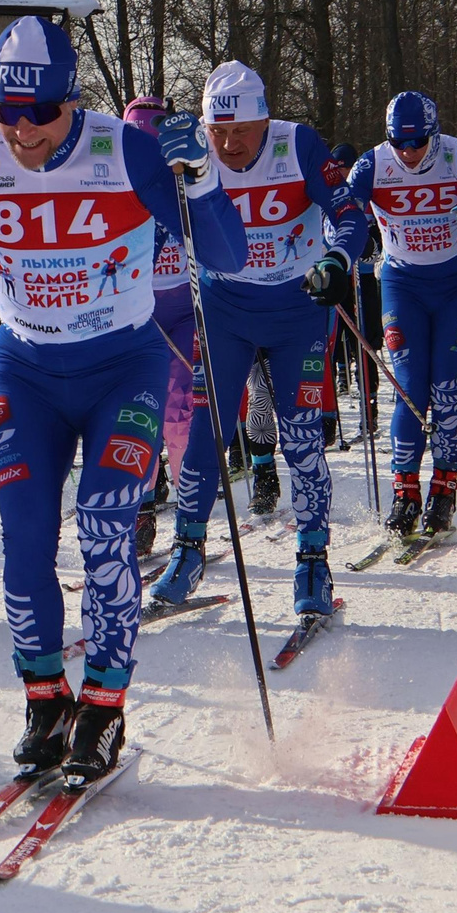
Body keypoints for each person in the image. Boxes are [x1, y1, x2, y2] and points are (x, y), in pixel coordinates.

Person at [0, 17, 243, 786]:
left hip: (122, 366)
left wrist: (199, 176)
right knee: (24, 538)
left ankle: (104, 702)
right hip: (24, 368)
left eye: (39, 112)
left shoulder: (124, 148)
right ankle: (44, 697)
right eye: (9, 111)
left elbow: (228, 256)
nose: (24, 130)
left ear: (71, 100)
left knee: (105, 521)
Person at [152, 62, 369, 619]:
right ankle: (189, 548)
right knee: (208, 427)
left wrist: (337, 259)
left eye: (239, 132)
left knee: (299, 434)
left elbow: (348, 211)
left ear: (264, 120)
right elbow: (152, 218)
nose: (227, 145)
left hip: (296, 308)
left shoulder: (296, 143)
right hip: (226, 310)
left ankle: (314, 556)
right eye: (217, 132)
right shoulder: (194, 151)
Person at [337, 92, 457, 536]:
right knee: (410, 386)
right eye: (399, 143)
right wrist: (356, 244)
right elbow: (340, 217)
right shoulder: (371, 166)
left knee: (448, 386)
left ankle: (445, 487)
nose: (408, 153)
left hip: (456, 284)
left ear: (433, 134)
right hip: (402, 285)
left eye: (417, 143)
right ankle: (404, 491)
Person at [120, 96, 196, 560]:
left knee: (180, 413)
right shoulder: (114, 186)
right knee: (140, 415)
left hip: (184, 308)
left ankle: (190, 516)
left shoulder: (185, 182)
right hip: (137, 313)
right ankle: (142, 509)